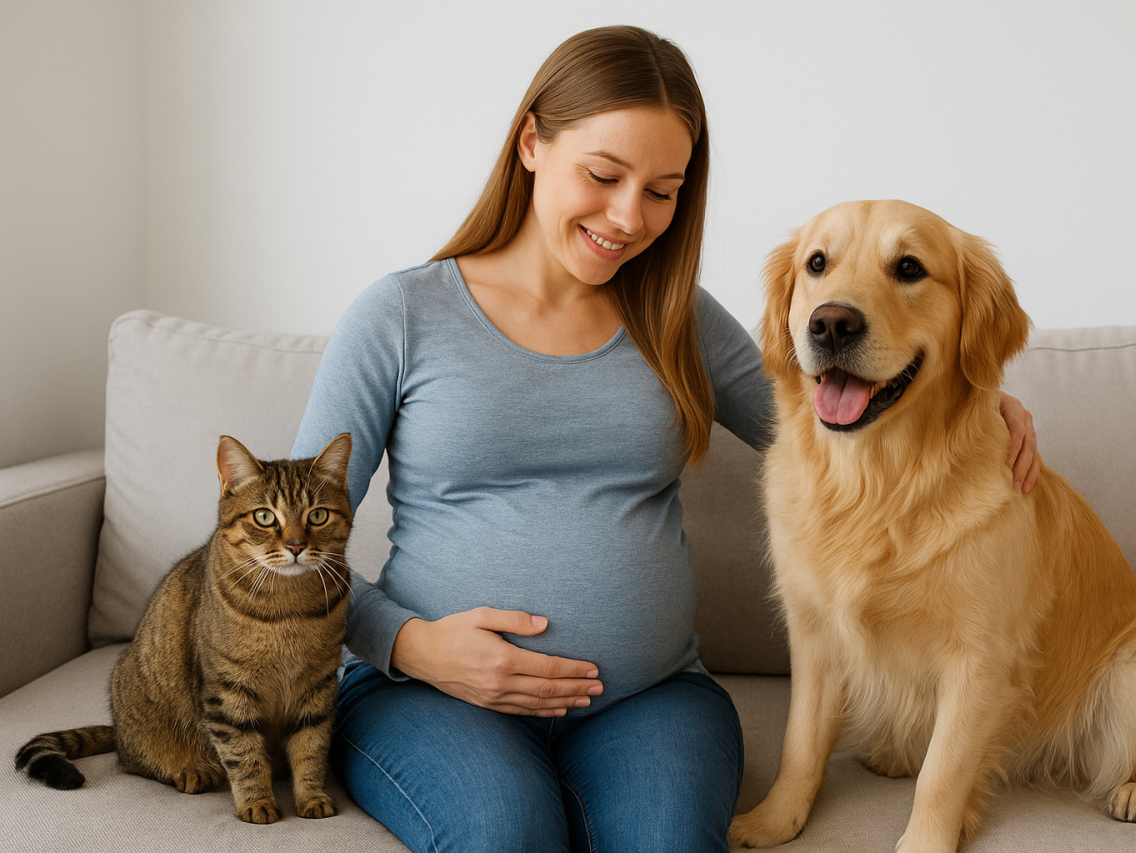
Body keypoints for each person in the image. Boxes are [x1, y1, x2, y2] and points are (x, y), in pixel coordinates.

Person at [291, 25, 1040, 853]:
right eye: (604, 175)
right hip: (434, 695)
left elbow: (828, 413)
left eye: (662, 189)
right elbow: (274, 544)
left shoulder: (674, 315)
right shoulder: (399, 316)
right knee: (507, 835)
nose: (627, 217)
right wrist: (413, 645)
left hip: (650, 697)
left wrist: (979, 399)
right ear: (531, 142)